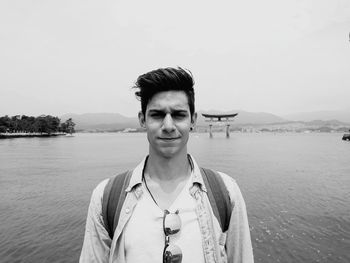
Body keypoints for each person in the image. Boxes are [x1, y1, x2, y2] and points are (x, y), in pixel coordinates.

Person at [79, 67, 254, 263]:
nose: (169, 126)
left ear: (193, 120)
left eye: (179, 115)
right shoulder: (106, 197)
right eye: (157, 115)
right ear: (142, 120)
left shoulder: (226, 193)